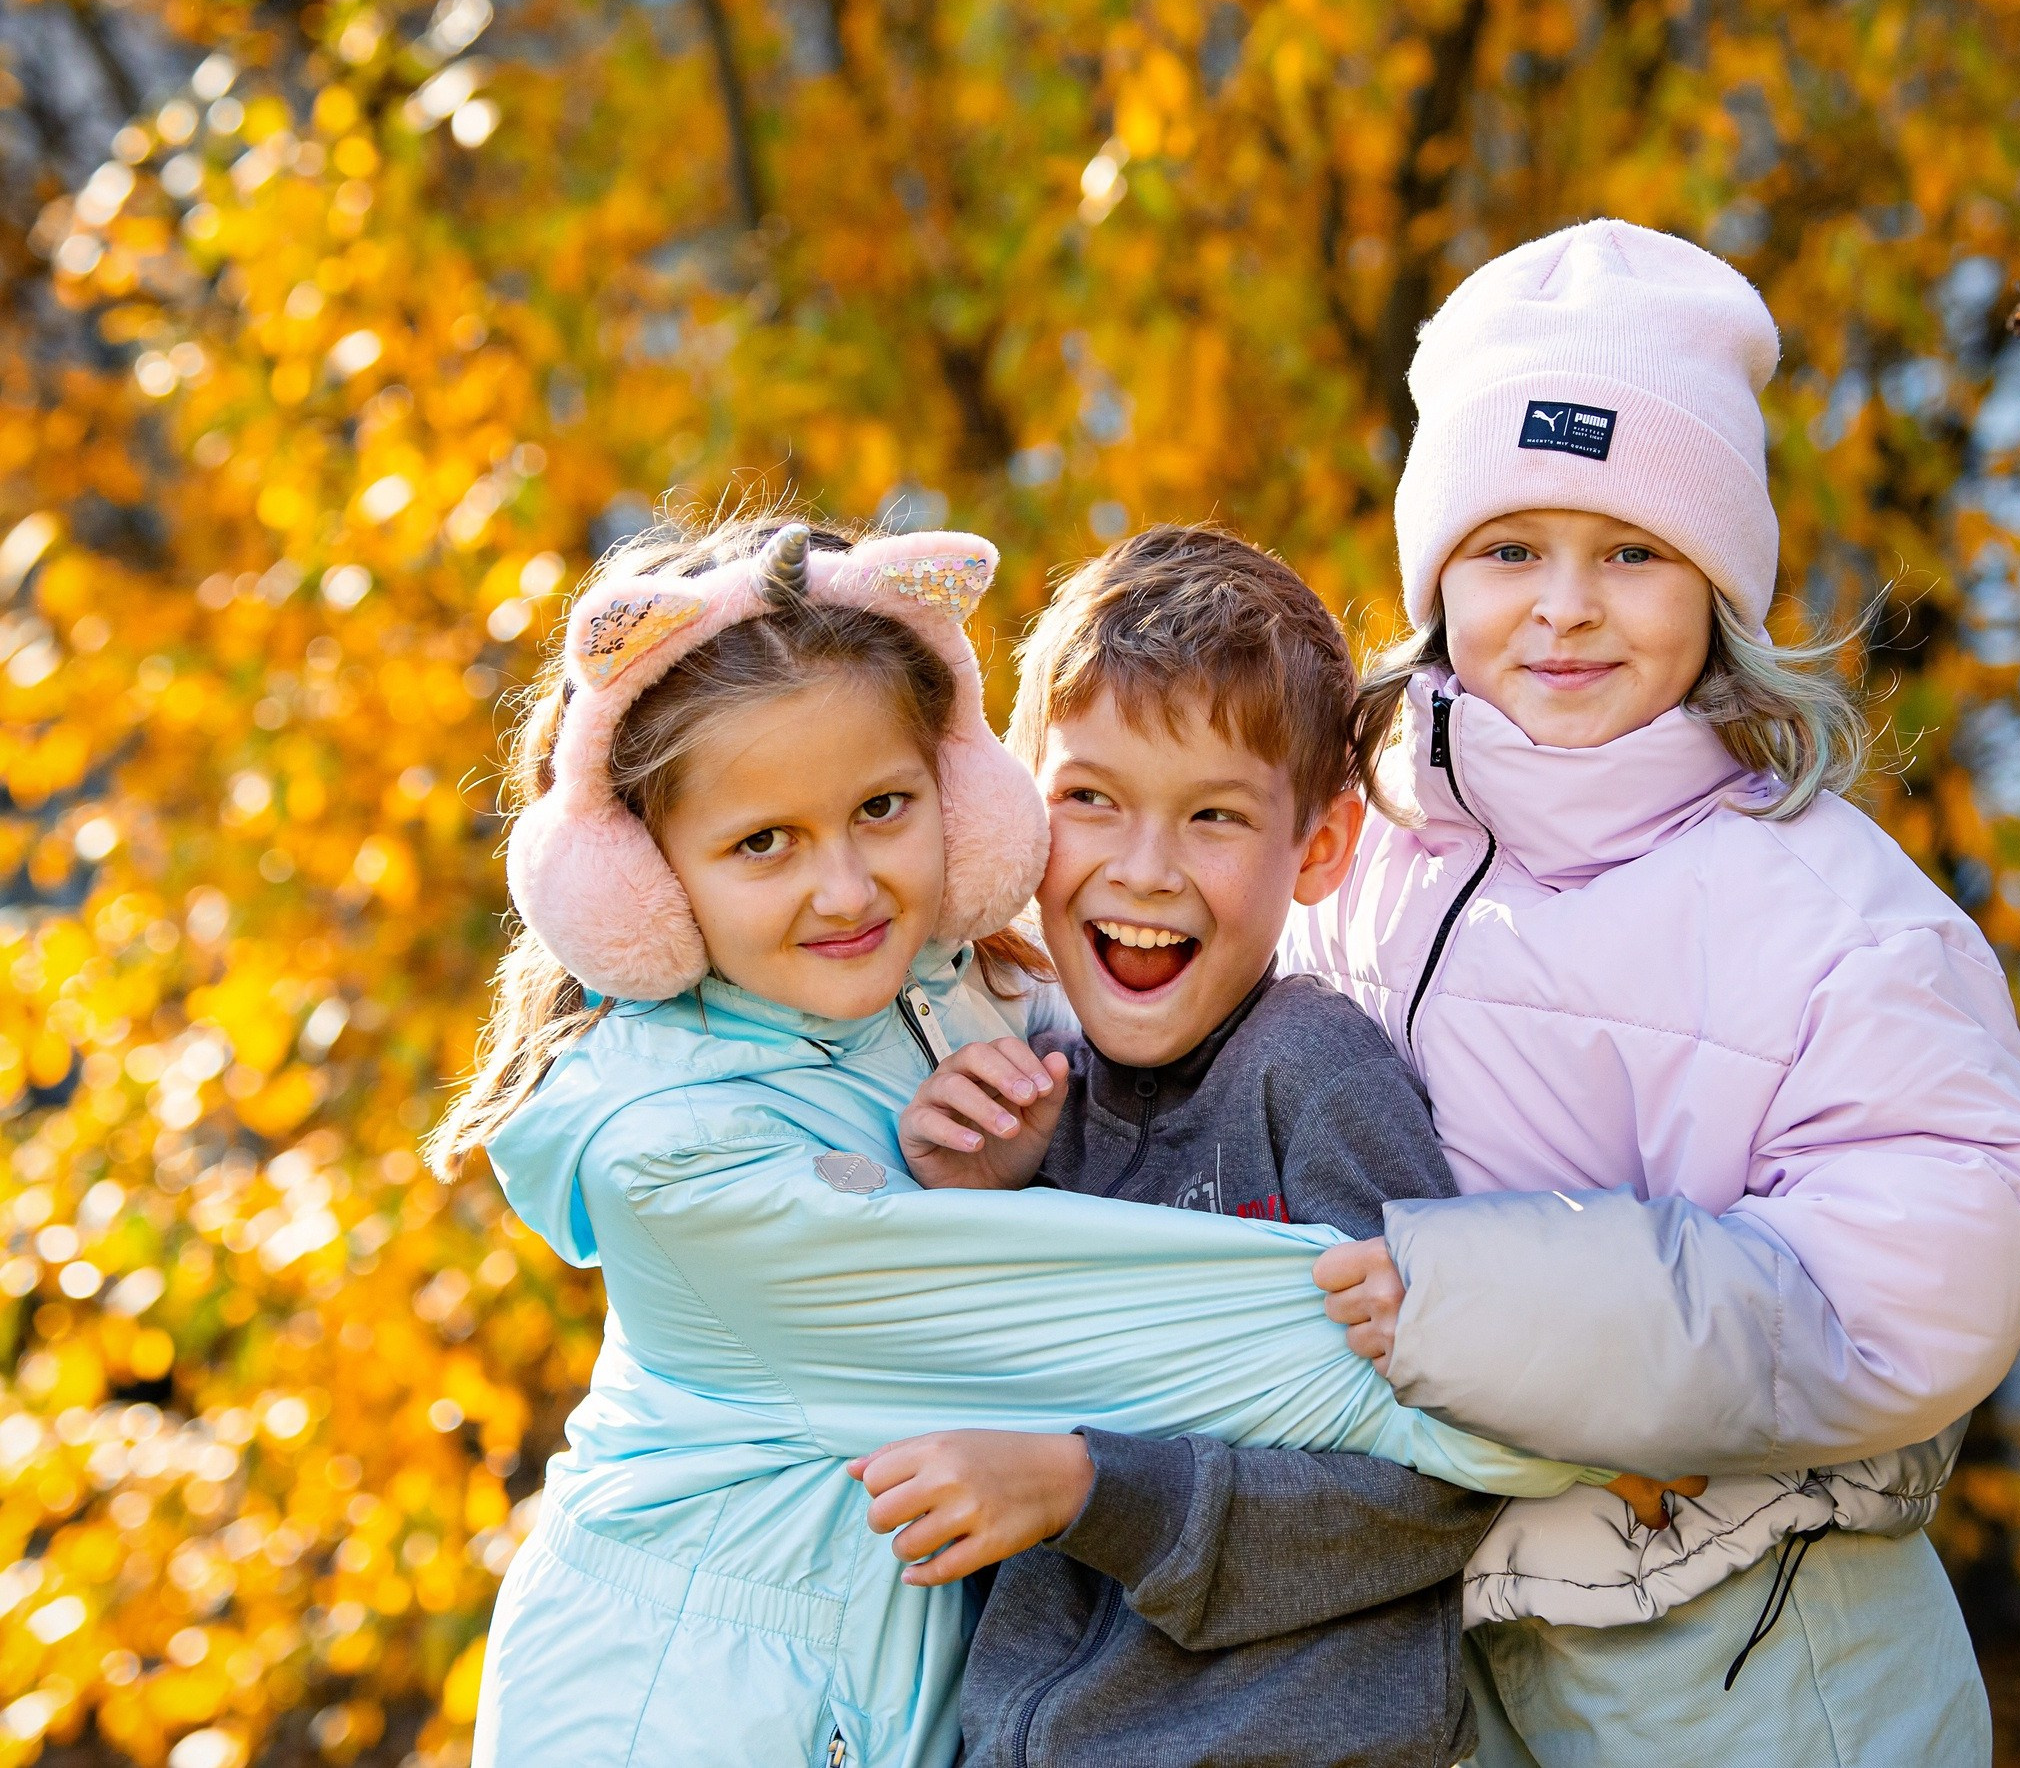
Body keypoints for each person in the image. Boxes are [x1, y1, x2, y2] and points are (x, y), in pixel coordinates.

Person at [427, 511, 1589, 1768]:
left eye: (883, 806)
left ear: (968, 805)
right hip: (672, 1713)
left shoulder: (987, 1015)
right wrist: (1532, 1345)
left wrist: (1000, 1190)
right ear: (639, 883)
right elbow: (1443, 1393)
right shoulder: (673, 1159)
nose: (846, 888)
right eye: (762, 840)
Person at [1296, 219, 2020, 1766]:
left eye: (1633, 552)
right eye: (1510, 549)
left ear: (1717, 585)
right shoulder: (1346, 854)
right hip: (1438, 1643)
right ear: (1435, 578)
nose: (1566, 606)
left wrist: (1486, 1304)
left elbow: (1909, 1288)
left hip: (1755, 1658)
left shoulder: (1830, 915)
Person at [876, 526, 1670, 1768]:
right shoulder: (1024, 1085)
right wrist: (974, 1200)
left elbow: (1441, 1480)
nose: (1144, 870)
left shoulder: (1311, 1074)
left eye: (1213, 815)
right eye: (1090, 798)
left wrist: (1093, 1491)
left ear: (1319, 846)